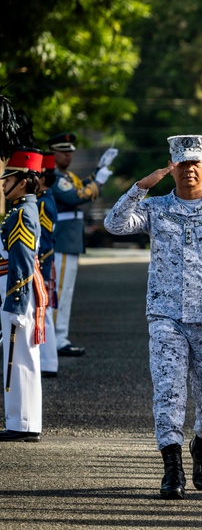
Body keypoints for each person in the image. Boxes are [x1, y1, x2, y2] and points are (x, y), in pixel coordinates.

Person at [104, 135, 202, 499]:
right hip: (165, 315)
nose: (188, 171)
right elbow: (114, 224)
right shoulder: (155, 209)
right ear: (172, 168)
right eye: (181, 165)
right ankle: (172, 467)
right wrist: (140, 187)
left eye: (194, 163)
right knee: (168, 391)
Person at [47, 131, 117, 357]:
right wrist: (99, 179)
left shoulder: (66, 177)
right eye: (63, 151)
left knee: (64, 291)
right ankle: (56, 339)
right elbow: (76, 197)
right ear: (53, 153)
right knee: (59, 291)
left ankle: (59, 336)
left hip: (69, 240)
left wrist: (99, 169)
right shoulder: (54, 178)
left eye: (70, 152)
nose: (68, 156)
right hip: (62, 240)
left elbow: (82, 187)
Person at [0, 148, 48, 442]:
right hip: (16, 288)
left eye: (9, 179)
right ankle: (21, 421)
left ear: (24, 182)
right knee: (18, 357)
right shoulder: (21, 210)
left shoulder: (21, 213)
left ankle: (24, 423)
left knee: (19, 358)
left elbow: (21, 260)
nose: (4, 185)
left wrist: (16, 303)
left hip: (19, 291)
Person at [37, 152, 59, 378]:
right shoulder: (46, 199)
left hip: (43, 263)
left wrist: (41, 270)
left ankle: (48, 362)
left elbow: (43, 242)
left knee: (45, 314)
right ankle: (48, 361)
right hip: (47, 263)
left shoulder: (43, 203)